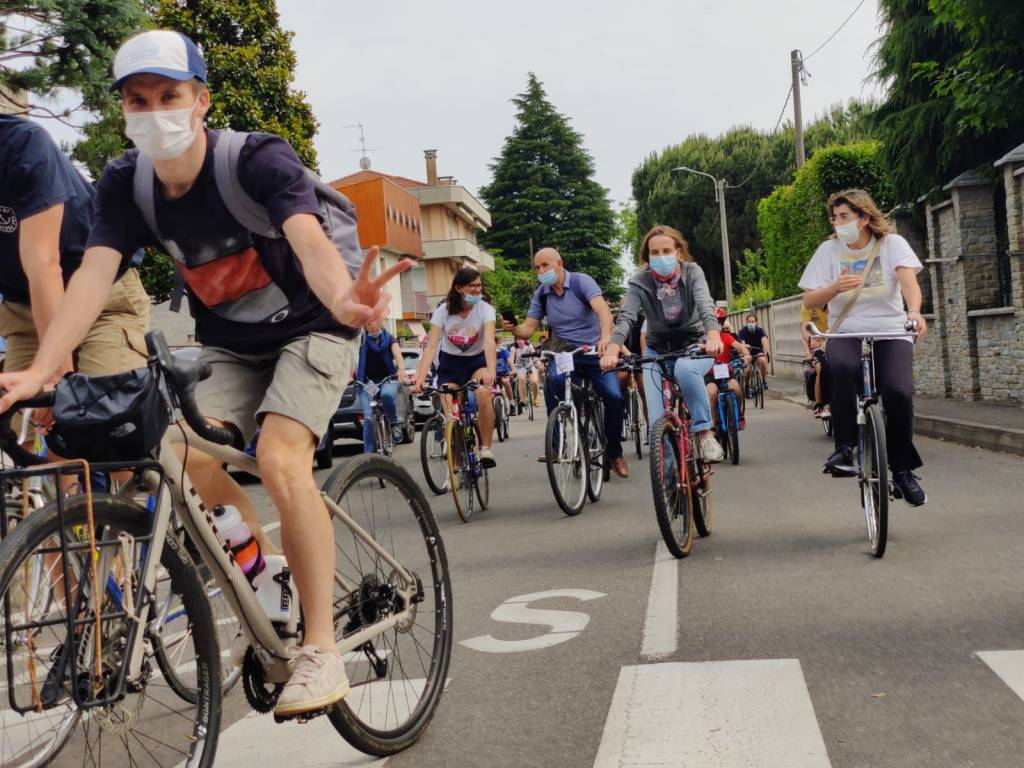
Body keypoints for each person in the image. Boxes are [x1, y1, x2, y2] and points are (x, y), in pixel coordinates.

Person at [0, 30, 411, 718]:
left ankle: (319, 648)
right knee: (179, 455)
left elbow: (308, 240)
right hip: (228, 343)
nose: (153, 110)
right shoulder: (125, 184)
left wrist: (344, 298)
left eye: (169, 95)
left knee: (281, 461)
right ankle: (268, 580)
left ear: (201, 101)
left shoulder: (254, 160)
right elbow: (91, 277)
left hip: (316, 325)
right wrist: (42, 366)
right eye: (137, 100)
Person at [0, 112, 151, 422]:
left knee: (106, 425)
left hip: (101, 298)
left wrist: (59, 378)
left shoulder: (21, 144)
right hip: (23, 309)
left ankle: (151, 469)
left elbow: (44, 263)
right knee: (21, 427)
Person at [799, 188, 928, 506]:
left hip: (891, 329)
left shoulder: (892, 244)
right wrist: (834, 287)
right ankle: (846, 449)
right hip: (847, 331)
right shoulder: (829, 251)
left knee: (897, 390)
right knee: (841, 368)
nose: (837, 222)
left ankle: (902, 469)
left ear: (864, 217)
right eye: (834, 217)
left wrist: (913, 311)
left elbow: (909, 283)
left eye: (844, 216)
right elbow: (810, 299)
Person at [601, 225, 725, 463]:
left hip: (694, 346)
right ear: (647, 257)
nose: (660, 257)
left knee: (684, 368)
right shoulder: (640, 281)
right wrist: (613, 348)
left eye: (666, 250)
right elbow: (626, 316)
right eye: (654, 253)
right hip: (656, 350)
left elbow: (704, 304)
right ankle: (667, 479)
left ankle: (705, 433)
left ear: (678, 252)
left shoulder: (692, 272)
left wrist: (713, 335)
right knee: (657, 422)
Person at [503, 248, 629, 478]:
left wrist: (605, 339)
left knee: (613, 395)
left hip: (593, 351)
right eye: (537, 267)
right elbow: (528, 329)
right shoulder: (542, 293)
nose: (541, 271)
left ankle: (614, 451)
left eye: (545, 266)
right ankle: (555, 444)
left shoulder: (582, 282)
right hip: (564, 353)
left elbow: (602, 311)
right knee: (553, 383)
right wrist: (514, 328)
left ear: (559, 263)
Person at [414, 267, 497, 467]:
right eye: (472, 286)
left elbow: (489, 341)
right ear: (459, 288)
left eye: (479, 285)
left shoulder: (485, 309)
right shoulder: (443, 311)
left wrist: (491, 371)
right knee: (449, 406)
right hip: (450, 363)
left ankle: (485, 448)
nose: (478, 290)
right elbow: (431, 345)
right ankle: (456, 451)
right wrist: (420, 377)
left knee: (484, 394)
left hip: (476, 361)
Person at [356, 320, 405, 452]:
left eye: (373, 322)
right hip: (368, 383)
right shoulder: (361, 340)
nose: (370, 325)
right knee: (368, 419)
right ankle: (368, 455)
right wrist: (350, 375)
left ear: (380, 322)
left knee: (386, 395)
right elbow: (351, 357)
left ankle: (394, 424)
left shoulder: (389, 339)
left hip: (388, 379)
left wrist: (401, 369)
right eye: (368, 323)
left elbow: (398, 355)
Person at [705, 316, 751, 431]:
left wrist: (746, 355)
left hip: (726, 372)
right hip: (709, 375)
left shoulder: (726, 336)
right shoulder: (703, 339)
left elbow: (740, 346)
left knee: (737, 389)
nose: (716, 325)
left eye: (719, 322)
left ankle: (739, 415)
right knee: (711, 393)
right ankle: (713, 424)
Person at [737, 312, 770, 390]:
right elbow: (741, 343)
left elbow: (764, 340)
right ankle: (747, 386)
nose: (751, 323)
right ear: (746, 322)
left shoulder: (760, 330)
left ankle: (764, 380)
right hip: (747, 353)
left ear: (756, 322)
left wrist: (766, 351)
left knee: (762, 360)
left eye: (752, 321)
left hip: (758, 352)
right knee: (747, 370)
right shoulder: (742, 331)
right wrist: (745, 346)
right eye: (749, 322)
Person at [495, 335, 514, 404]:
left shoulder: (504, 351)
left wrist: (513, 370)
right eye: (495, 342)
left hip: (504, 373)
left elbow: (510, 362)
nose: (497, 344)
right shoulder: (489, 352)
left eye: (499, 342)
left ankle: (511, 403)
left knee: (506, 382)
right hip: (494, 375)